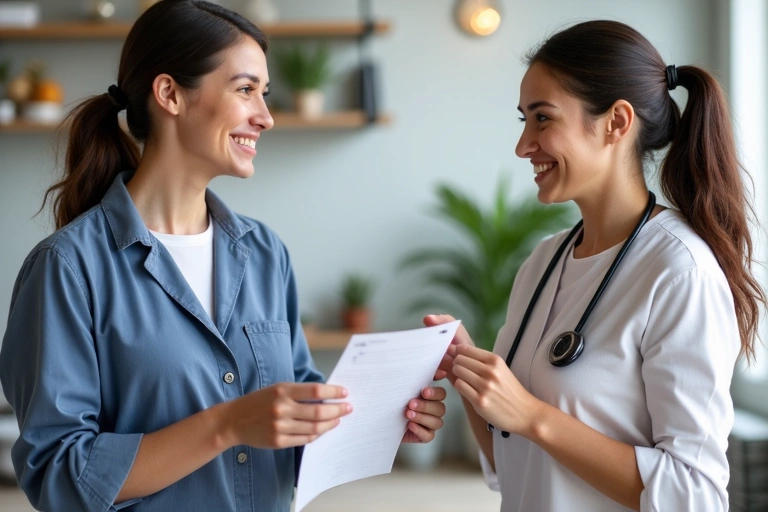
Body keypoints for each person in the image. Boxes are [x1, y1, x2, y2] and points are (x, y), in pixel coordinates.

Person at [0, 2, 447, 511]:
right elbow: (59, 475)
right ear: (169, 93)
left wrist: (382, 422)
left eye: (265, 93)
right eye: (245, 89)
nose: (266, 116)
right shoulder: (68, 269)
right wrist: (227, 424)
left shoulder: (264, 254)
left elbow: (294, 425)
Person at [426, 19, 765, 512]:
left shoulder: (679, 270)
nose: (524, 145)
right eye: (523, 120)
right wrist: (467, 374)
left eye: (543, 118)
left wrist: (534, 416)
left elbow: (694, 494)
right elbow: (512, 461)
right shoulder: (543, 261)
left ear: (617, 122)